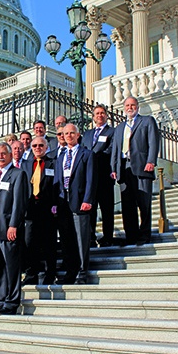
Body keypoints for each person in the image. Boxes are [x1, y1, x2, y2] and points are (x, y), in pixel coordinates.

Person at [0, 143, 28, 315]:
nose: (0, 157)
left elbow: (19, 202)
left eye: (3, 154)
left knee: (11, 266)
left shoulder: (18, 174)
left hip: (8, 228)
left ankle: (12, 301)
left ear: (10, 155)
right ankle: (0, 299)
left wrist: (13, 225)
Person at [111, 96, 160, 245]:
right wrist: (114, 168)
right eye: (127, 105)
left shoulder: (147, 121)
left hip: (142, 167)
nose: (130, 108)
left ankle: (144, 235)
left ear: (137, 107)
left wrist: (151, 161)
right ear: (124, 108)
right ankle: (131, 236)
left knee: (144, 204)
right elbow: (115, 150)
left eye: (132, 105)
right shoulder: (119, 128)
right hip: (124, 169)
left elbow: (153, 142)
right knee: (127, 206)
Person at [53, 124, 97, 285]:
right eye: (66, 133)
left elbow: (91, 180)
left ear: (78, 135)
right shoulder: (60, 157)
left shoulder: (87, 154)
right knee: (67, 240)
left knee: (81, 239)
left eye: (72, 133)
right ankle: (71, 271)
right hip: (63, 204)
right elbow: (57, 181)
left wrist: (88, 199)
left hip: (80, 203)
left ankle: (82, 272)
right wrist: (55, 203)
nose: (69, 136)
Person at [21, 136, 57, 285]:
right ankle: (31, 274)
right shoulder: (26, 165)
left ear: (46, 147)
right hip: (30, 209)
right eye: (34, 145)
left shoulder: (53, 163)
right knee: (30, 243)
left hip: (47, 208)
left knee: (49, 243)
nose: (37, 148)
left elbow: (57, 185)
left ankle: (50, 274)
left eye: (40, 145)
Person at [81, 104, 115, 247]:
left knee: (107, 209)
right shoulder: (87, 134)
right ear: (93, 117)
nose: (99, 115)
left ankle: (108, 237)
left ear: (106, 115)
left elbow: (111, 150)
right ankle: (90, 237)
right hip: (89, 179)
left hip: (104, 176)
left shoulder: (112, 132)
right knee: (91, 209)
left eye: (102, 113)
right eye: (97, 113)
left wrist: (92, 157)